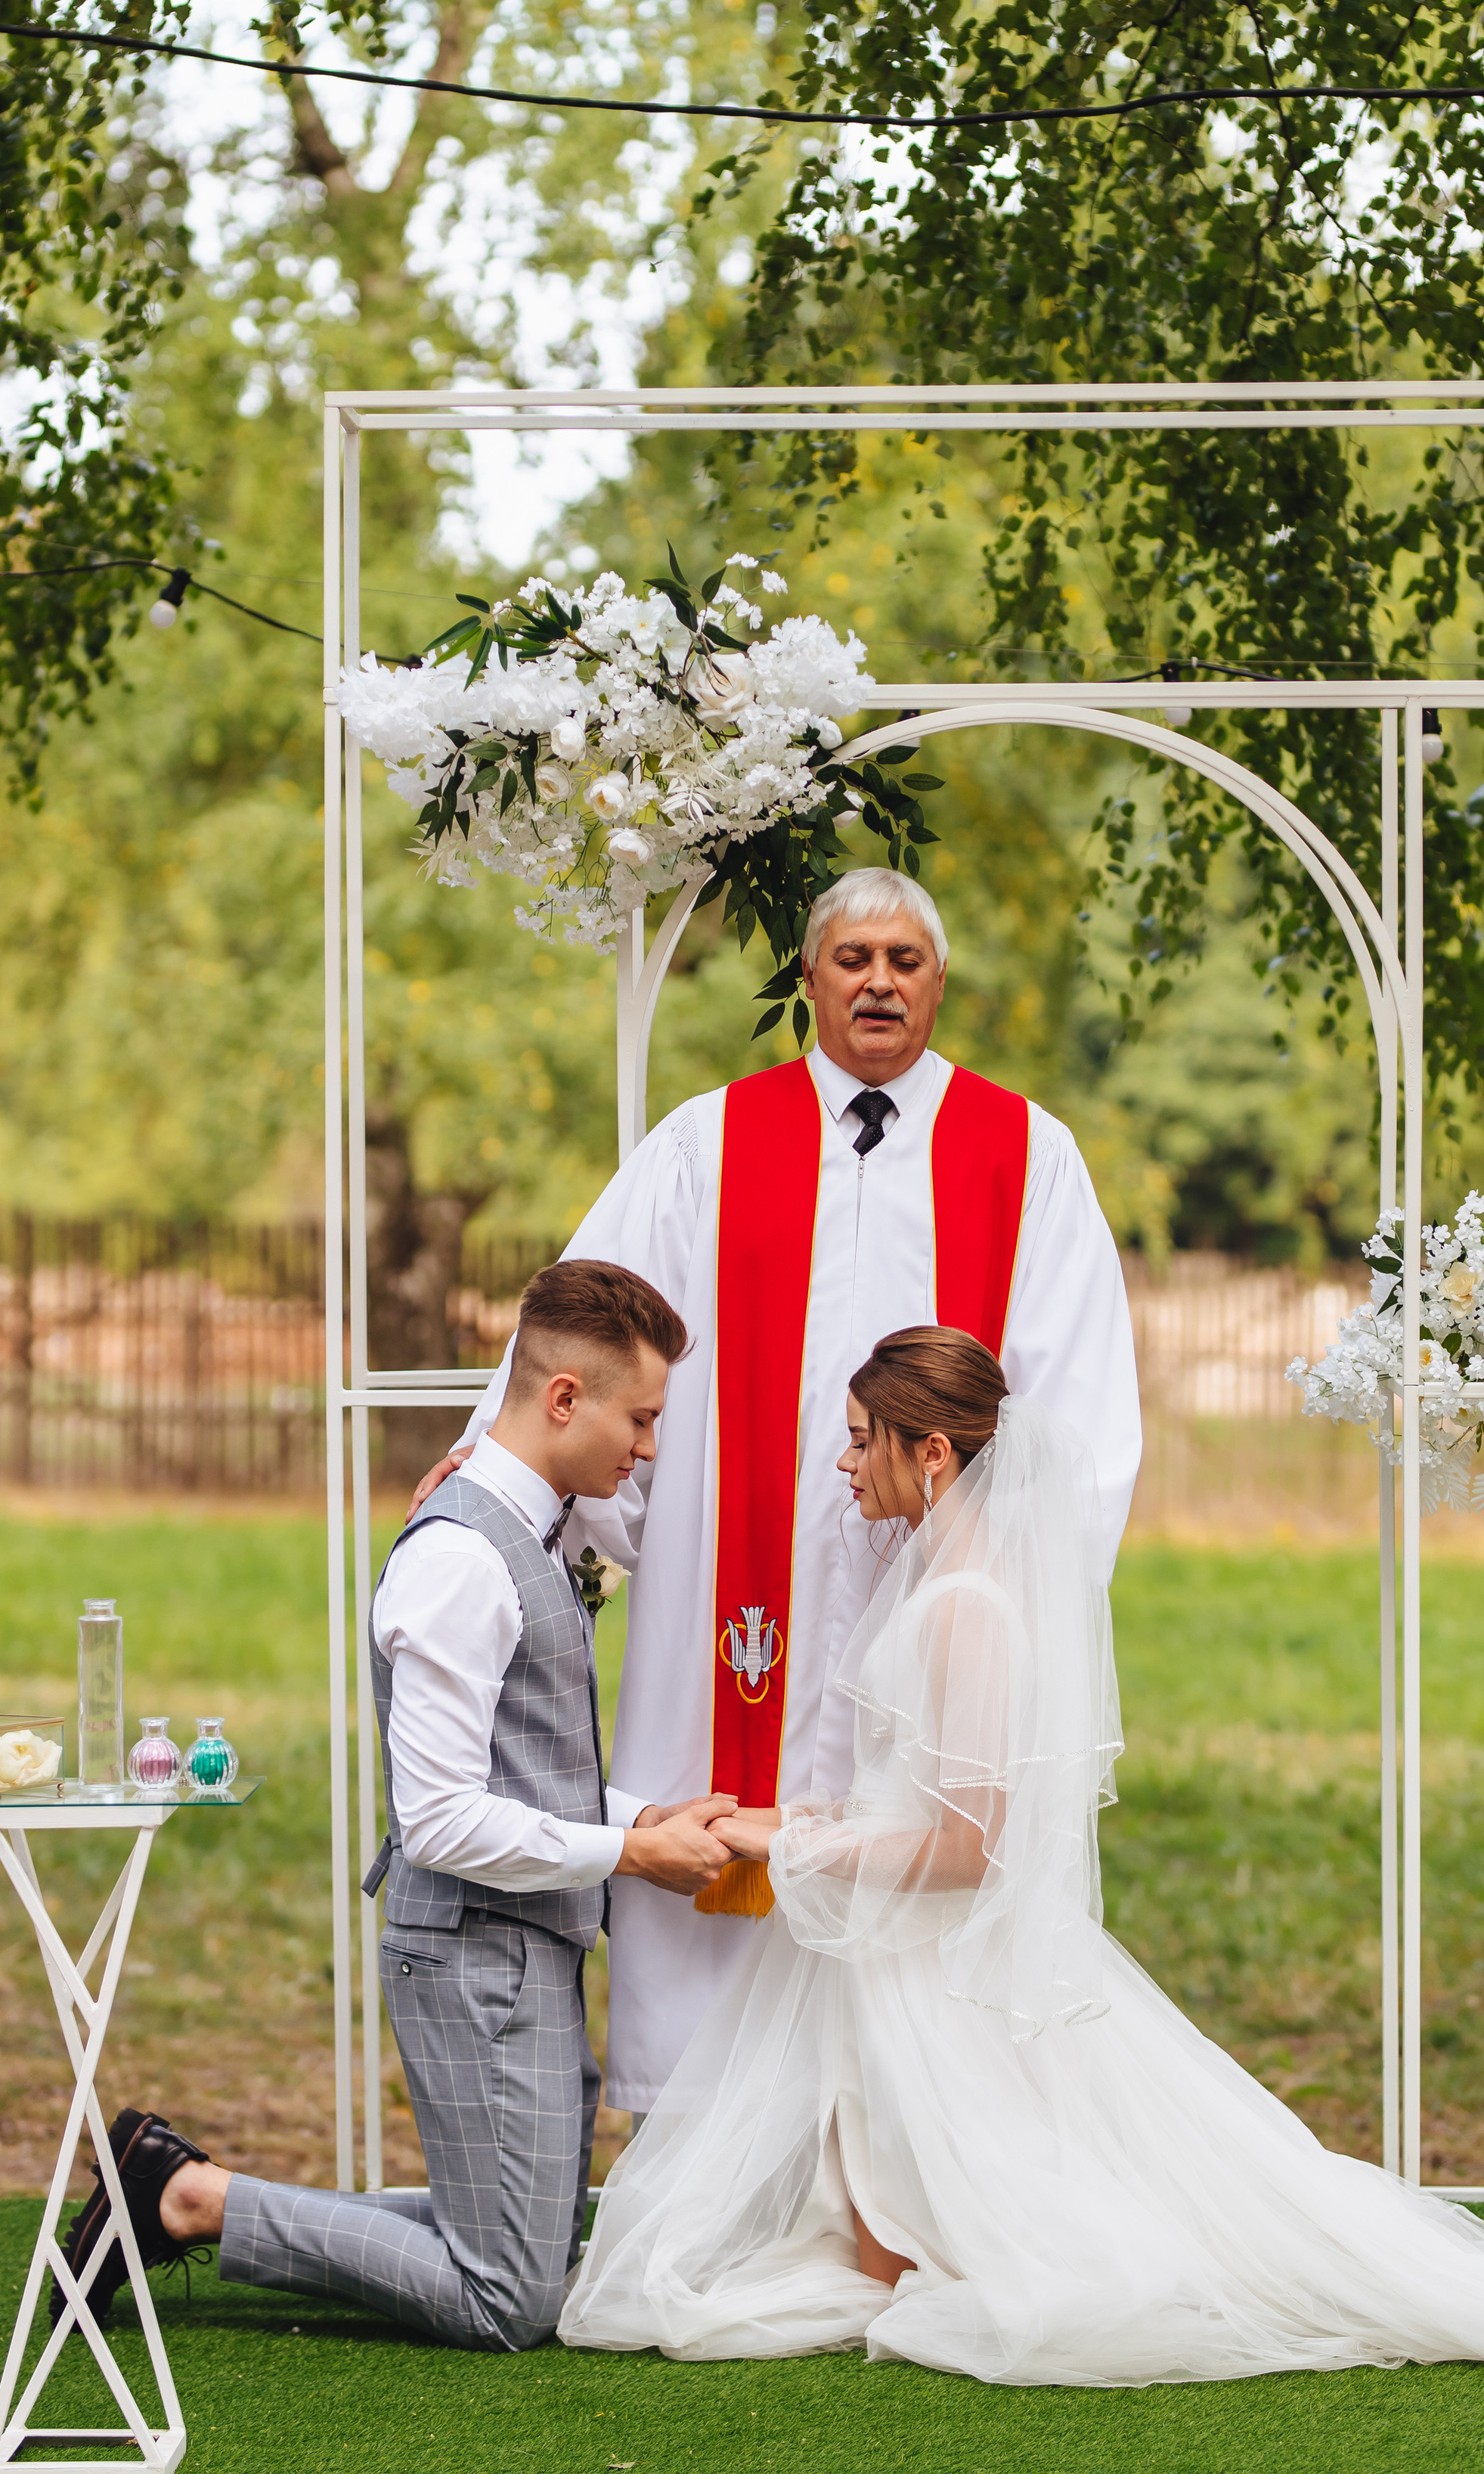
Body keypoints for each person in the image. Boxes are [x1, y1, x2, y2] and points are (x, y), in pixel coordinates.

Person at [557, 1325, 1484, 2387]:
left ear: (933, 1455)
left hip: (928, 1955)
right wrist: (792, 1831)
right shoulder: (950, 1582)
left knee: (988, 2242)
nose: (842, 1462)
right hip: (888, 1961)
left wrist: (792, 1837)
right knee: (883, 2240)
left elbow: (970, 1848)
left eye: (863, 1439)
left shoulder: (966, 1607)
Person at [409, 867, 1143, 2116]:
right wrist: (499, 1453)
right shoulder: (711, 1140)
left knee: (916, 1850)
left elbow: (1076, 1410)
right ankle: (702, 2143)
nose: (879, 981)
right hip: (728, 1595)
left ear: (939, 983)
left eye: (906, 960)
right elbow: (592, 1319)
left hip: (928, 1596)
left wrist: (1018, 1600)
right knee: (715, 1838)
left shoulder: (1027, 1155)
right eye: (852, 957)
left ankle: (910, 2151)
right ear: (808, 981)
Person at [57, 1260, 736, 2352]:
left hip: (522, 1947)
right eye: (641, 1417)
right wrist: (629, 1854)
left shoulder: (540, 1534)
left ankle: (179, 2189)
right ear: (564, 1398)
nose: (648, 1447)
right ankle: (191, 2198)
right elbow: (443, 1822)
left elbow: (521, 1767)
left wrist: (646, 1816)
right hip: (472, 1956)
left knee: (533, 2253)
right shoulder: (462, 1561)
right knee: (509, 2303)